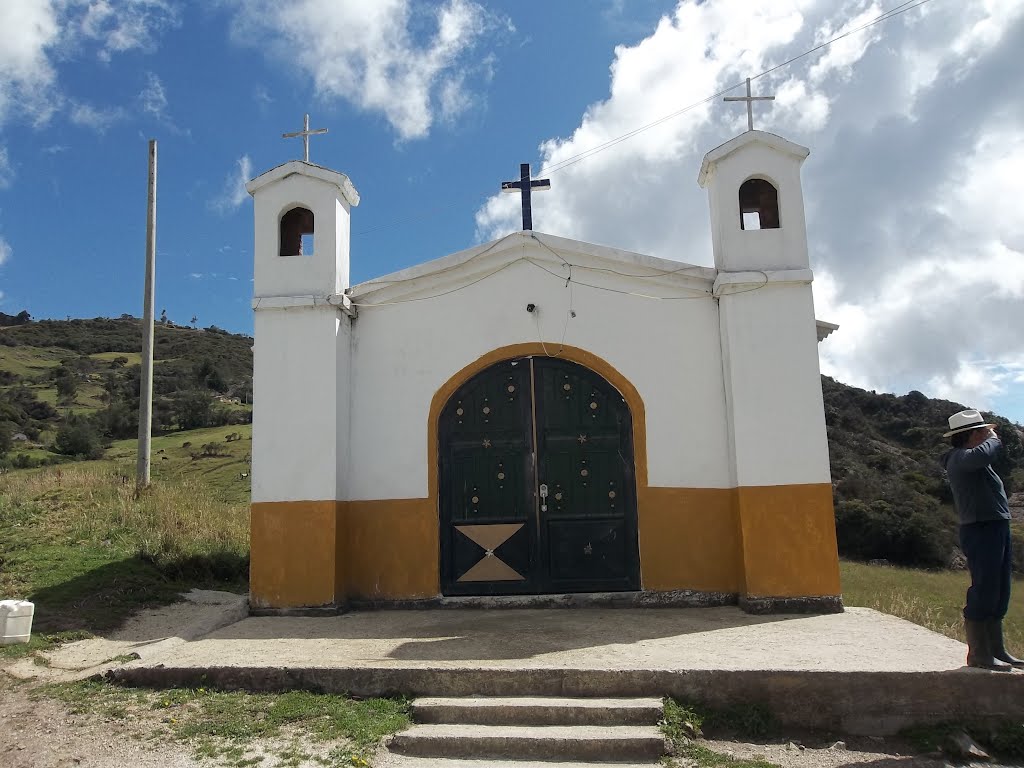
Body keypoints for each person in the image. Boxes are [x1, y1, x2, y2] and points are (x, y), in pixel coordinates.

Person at [941, 409, 1022, 671]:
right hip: (980, 528)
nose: (987, 436)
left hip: (994, 525)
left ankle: (996, 650)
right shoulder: (959, 458)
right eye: (982, 432)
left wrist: (989, 438)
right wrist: (994, 438)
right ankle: (979, 653)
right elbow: (985, 452)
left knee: (999, 590)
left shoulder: (971, 460)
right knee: (984, 588)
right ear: (971, 435)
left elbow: (983, 456)